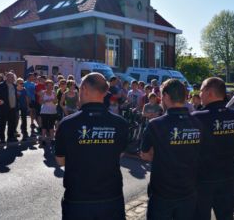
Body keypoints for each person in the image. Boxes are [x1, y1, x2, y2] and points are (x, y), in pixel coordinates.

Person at [55, 73, 129, 220]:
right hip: (111, 197)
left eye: (79, 88)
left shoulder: (67, 124)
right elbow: (120, 154)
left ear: (85, 89)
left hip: (78, 199)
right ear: (104, 92)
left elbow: (60, 161)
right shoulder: (120, 123)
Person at [140, 79, 202, 220]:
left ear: (166, 96)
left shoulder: (155, 124)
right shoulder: (198, 122)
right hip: (189, 189)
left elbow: (145, 155)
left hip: (162, 192)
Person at [193, 77, 234, 220]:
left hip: (203, 179)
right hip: (228, 176)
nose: (199, 94)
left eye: (201, 90)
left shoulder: (197, 117)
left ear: (209, 92)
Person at [0, 72, 19, 143]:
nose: (13, 79)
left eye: (13, 77)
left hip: (13, 108)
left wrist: (17, 107)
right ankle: (2, 139)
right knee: (2, 124)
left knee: (12, 124)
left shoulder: (14, 85)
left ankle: (10, 137)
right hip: (3, 108)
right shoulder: (1, 86)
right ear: (7, 77)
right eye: (11, 77)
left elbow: (15, 97)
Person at [40, 80, 57, 145]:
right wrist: (46, 100)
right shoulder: (43, 92)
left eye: (51, 85)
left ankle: (52, 139)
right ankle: (43, 139)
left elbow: (56, 102)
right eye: (48, 85)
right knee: (44, 126)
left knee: (51, 126)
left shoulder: (54, 93)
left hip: (52, 111)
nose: (50, 87)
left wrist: (53, 100)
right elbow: (40, 102)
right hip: (44, 111)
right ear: (46, 86)